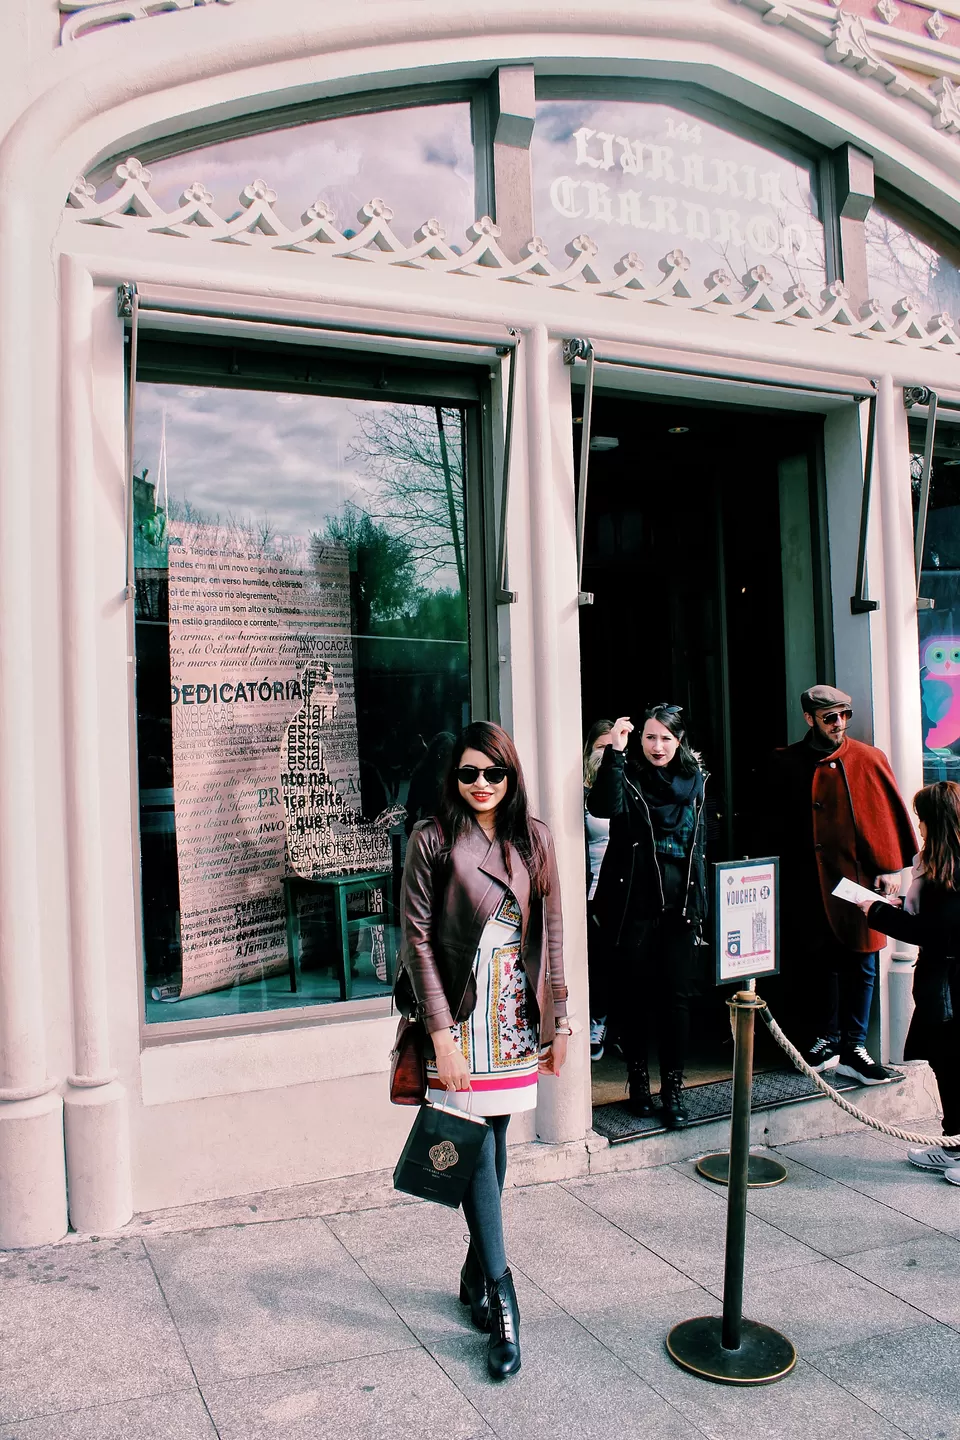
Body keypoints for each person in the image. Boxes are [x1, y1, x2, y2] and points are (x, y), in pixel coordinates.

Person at [397, 721, 570, 1380]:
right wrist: (440, 1033)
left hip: (513, 1012)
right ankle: (502, 1296)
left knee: (492, 1144)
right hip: (462, 1012)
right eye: (469, 773)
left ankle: (474, 1273)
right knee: (471, 1139)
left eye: (492, 774)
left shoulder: (535, 838)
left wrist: (558, 1018)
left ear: (510, 776)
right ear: (454, 778)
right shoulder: (433, 840)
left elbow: (552, 929)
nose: (480, 785)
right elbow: (415, 938)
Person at [765, 685, 916, 1083]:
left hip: (858, 879)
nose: (840, 724)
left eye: (844, 715)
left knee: (862, 960)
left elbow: (883, 812)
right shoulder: (786, 763)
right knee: (818, 959)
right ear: (809, 718)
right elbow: (774, 824)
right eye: (830, 717)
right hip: (809, 878)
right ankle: (826, 1039)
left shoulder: (867, 757)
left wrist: (889, 865)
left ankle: (855, 1045)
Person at [588, 704, 707, 1128]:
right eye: (651, 737)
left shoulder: (695, 782)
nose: (658, 746)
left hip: (681, 906)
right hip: (635, 904)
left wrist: (700, 906)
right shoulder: (629, 775)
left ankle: (672, 1089)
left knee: (677, 1000)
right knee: (636, 996)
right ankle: (637, 1080)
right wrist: (615, 754)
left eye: (667, 739)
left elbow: (699, 848)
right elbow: (603, 806)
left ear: (680, 742)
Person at [852, 782, 960, 1180]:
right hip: (944, 982)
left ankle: (958, 1147)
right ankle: (954, 1144)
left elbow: (932, 930)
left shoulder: (948, 868)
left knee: (951, 1063)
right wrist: (897, 904)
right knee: (947, 1064)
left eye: (921, 817)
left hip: (948, 987)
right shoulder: (940, 862)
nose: (919, 824)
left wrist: (877, 912)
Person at [584, 718, 615, 1061]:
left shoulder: (628, 784)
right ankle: (599, 1021)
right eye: (600, 746)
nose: (606, 753)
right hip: (592, 886)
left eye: (612, 746)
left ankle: (609, 1023)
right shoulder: (582, 790)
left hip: (626, 887)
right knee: (598, 960)